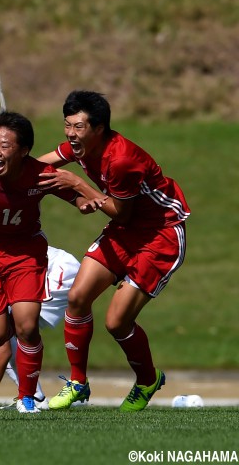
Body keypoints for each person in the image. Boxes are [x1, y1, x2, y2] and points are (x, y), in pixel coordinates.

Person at [37, 90, 190, 411]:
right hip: (127, 231)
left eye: (78, 127)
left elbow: (121, 213)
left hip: (159, 235)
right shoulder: (82, 146)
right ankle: (78, 383)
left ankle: (148, 380)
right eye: (67, 125)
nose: (70, 134)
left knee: (117, 322)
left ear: (99, 128)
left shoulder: (121, 160)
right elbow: (45, 161)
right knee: (77, 298)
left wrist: (76, 184)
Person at [0, 111, 105, 414]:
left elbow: (76, 198)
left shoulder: (39, 173)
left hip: (24, 254)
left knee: (28, 326)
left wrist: (84, 202)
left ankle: (27, 398)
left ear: (24, 151)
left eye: (5, 146)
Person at [0, 244, 81, 409]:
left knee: (18, 329)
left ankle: (35, 395)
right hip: (41, 272)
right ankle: (33, 395)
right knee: (1, 329)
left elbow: (4, 350)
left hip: (59, 271)